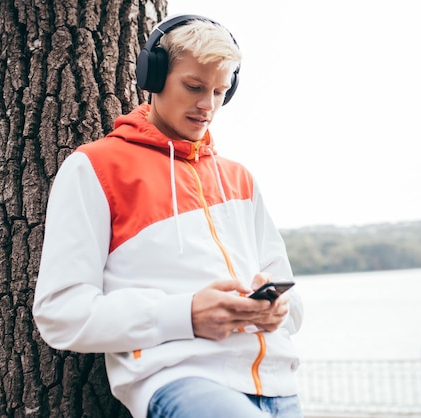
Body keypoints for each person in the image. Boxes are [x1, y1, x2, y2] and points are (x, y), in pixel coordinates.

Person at [32, 14, 304, 418]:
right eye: (193, 87)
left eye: (219, 91)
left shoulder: (240, 179)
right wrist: (186, 315)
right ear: (153, 77)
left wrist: (279, 309)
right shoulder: (96, 168)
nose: (207, 105)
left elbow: (294, 306)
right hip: (181, 381)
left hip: (280, 389)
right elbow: (59, 313)